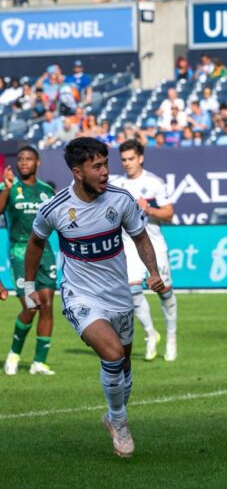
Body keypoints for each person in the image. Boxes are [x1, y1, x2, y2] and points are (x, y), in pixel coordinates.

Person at [25, 137, 166, 457]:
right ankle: (118, 421)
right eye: (97, 167)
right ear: (77, 172)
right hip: (80, 296)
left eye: (106, 165)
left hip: (118, 295)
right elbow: (35, 243)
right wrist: (28, 287)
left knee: (125, 367)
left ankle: (113, 414)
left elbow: (141, 237)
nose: (105, 172)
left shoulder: (121, 200)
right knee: (113, 355)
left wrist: (153, 273)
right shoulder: (55, 208)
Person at [110, 140, 178, 362]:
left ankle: (171, 337)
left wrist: (149, 209)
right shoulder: (116, 184)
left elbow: (169, 214)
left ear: (140, 158)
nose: (127, 163)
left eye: (131, 159)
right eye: (124, 160)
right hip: (128, 245)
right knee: (132, 292)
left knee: (164, 292)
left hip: (154, 245)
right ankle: (151, 334)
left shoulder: (154, 183)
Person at [1, 147, 58, 375]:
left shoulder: (46, 190)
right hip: (20, 251)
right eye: (21, 159)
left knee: (47, 306)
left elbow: (58, 219)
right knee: (31, 306)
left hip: (44, 252)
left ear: (38, 162)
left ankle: (39, 362)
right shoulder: (10, 187)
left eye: (29, 159)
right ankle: (14, 353)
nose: (23, 162)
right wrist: (6, 186)